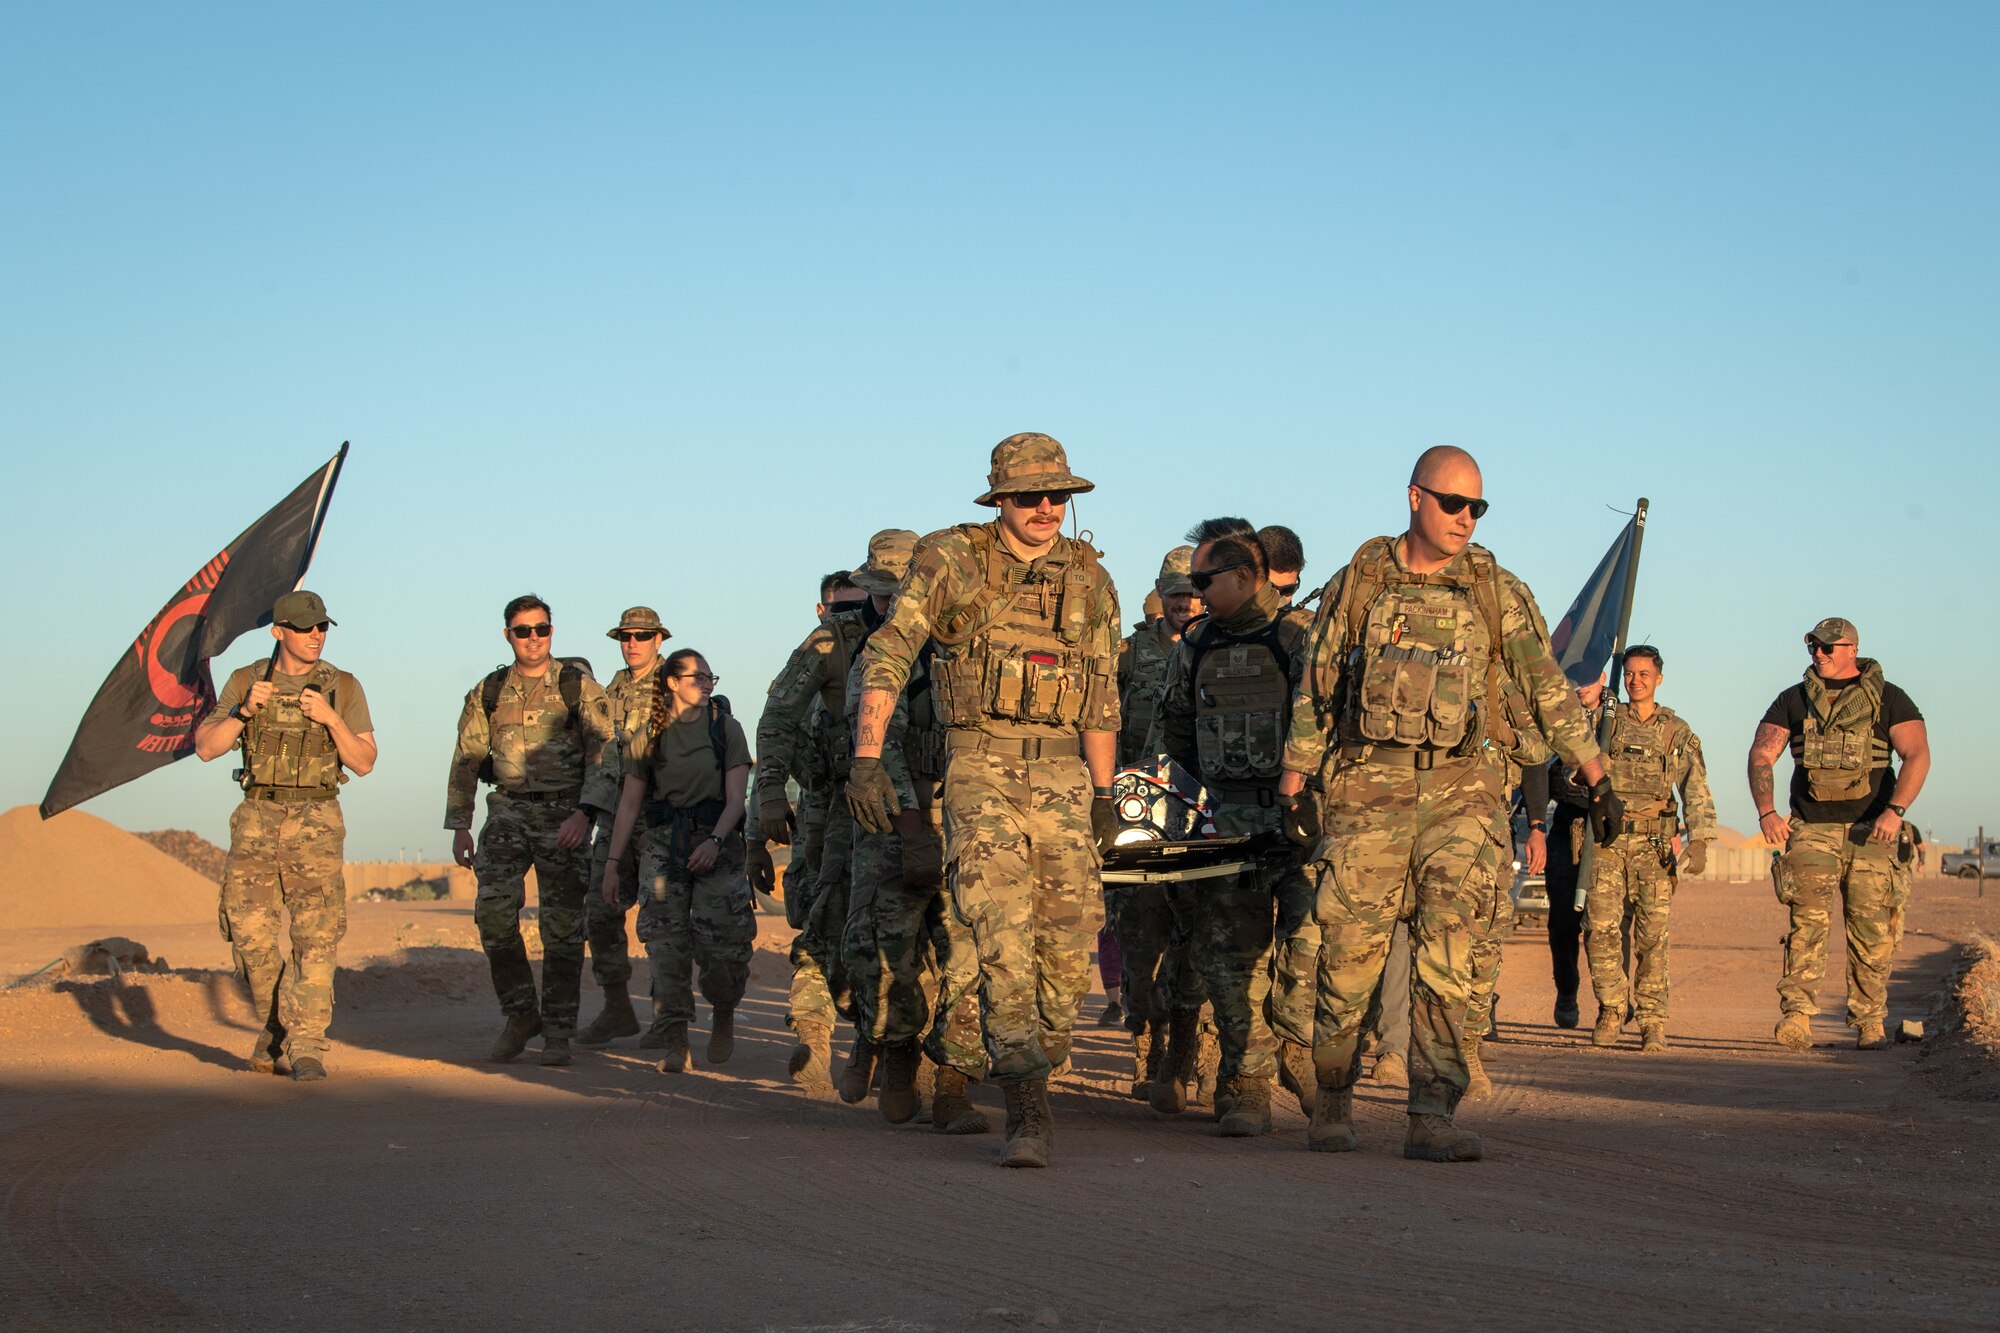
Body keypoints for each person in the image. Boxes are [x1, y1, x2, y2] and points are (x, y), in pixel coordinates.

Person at [1278, 446, 1616, 1162]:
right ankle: (1332, 1098)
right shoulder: (1360, 582)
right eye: (1453, 504)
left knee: (1449, 957)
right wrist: (1294, 783)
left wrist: (1596, 772)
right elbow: (1317, 684)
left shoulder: (1495, 588)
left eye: (1477, 508)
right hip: (1368, 788)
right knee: (1347, 956)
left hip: (1464, 792)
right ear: (1414, 498)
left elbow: (1545, 681)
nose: (1465, 519)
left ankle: (1431, 1113)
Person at [849, 432, 1122, 1168]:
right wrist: (868, 758)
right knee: (1001, 934)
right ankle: (1028, 1106)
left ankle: (985, 1054)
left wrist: (1105, 795)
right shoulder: (952, 560)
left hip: (1065, 776)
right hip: (981, 767)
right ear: (998, 497)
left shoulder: (1090, 578)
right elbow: (889, 651)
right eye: (1029, 494)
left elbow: (1102, 695)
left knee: (1068, 948)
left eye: (1056, 495)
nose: (1044, 508)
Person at [1156, 519, 1317, 1137]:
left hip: (1300, 822)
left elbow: (1334, 720)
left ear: (1246, 578)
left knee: (1307, 948)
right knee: (1231, 959)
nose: (1195, 592)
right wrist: (1214, 787)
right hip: (1227, 820)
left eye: (1206, 580)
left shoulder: (1300, 640)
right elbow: (1175, 727)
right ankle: (1245, 1085)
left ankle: (1298, 1048)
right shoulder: (1194, 646)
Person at [838, 529, 989, 1133]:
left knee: (966, 954)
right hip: (893, 825)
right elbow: (881, 747)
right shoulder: (875, 659)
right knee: (885, 952)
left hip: (966, 820)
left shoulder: (967, 648)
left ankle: (954, 1081)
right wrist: (912, 831)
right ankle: (896, 1052)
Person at [193, 590, 376, 1082]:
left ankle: (308, 1044)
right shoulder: (245, 681)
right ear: (279, 632)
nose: (315, 635)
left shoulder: (342, 686)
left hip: (316, 818)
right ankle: (277, 1026)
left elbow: (363, 762)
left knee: (315, 936)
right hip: (257, 816)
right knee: (248, 931)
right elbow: (206, 749)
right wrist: (242, 713)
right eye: (304, 627)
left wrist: (331, 718)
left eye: (321, 628)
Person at [446, 595, 618, 1067]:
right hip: (506, 812)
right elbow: (465, 758)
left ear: (551, 632)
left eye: (541, 629)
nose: (533, 638)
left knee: (562, 928)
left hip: (565, 814)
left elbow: (606, 754)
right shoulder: (489, 690)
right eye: (523, 631)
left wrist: (585, 814)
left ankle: (559, 1030)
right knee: (494, 914)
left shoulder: (576, 687)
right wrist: (460, 824)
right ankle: (521, 1013)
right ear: (508, 635)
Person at [1749, 617, 1929, 1051]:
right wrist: (1766, 811)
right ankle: (1797, 1016)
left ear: (1852, 648)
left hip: (1873, 833)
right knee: (1806, 926)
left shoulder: (1889, 698)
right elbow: (1761, 753)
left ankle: (1869, 1021)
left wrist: (1896, 811)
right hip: (1811, 830)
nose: (1819, 655)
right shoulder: (1793, 700)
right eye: (1814, 647)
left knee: (1871, 931)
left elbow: (1918, 754)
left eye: (1829, 648)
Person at [601, 649, 756, 1072]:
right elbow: (629, 806)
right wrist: (614, 863)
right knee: (666, 947)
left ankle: (723, 1009)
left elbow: (736, 800)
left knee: (723, 945)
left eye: (710, 678)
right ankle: (676, 1038)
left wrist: (716, 841)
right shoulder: (647, 736)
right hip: (664, 846)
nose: (707, 685)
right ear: (672, 682)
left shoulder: (726, 729)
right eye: (698, 678)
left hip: (716, 841)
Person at [757, 571, 872, 1096]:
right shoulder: (820, 652)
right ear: (822, 610)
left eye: (858, 606)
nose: (849, 618)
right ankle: (815, 1036)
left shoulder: (911, 642)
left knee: (892, 932)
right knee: (822, 926)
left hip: (900, 806)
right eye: (839, 609)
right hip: (826, 814)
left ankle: (873, 1044)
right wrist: (767, 803)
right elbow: (776, 721)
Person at [1582, 645, 1715, 1052]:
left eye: (1644, 674)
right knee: (1601, 932)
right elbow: (1575, 767)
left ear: (1659, 678)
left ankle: (1653, 1021)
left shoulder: (1676, 730)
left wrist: (1702, 837)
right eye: (1630, 674)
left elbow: (1695, 786)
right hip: (1607, 843)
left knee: (1652, 938)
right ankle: (1611, 1009)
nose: (1636, 681)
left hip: (1653, 847)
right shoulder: (1605, 723)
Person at [1105, 546, 1202, 1075]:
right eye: (1175, 592)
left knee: (1203, 933)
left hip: (1203, 815)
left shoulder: (1219, 650)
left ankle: (1197, 1053)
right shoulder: (1127, 653)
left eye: (1193, 591)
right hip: (1138, 816)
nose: (1185, 601)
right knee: (1140, 934)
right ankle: (1147, 1044)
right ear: (1160, 595)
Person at [578, 606, 671, 1047]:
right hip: (615, 818)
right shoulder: (608, 691)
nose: (632, 643)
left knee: (660, 919)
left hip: (659, 819)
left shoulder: (676, 685)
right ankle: (617, 1007)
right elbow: (598, 756)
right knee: (599, 909)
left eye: (641, 636)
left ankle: (666, 1017)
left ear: (658, 639)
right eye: (625, 636)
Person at [1521, 673, 1604, 1029]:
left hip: (1607, 829)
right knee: (1564, 922)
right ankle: (1567, 990)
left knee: (1610, 922)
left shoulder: (1623, 720)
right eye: (1576, 678)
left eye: (1590, 677)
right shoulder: (1553, 719)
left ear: (1603, 676)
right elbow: (1536, 766)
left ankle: (1613, 1002)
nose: (1582, 685)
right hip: (1566, 826)